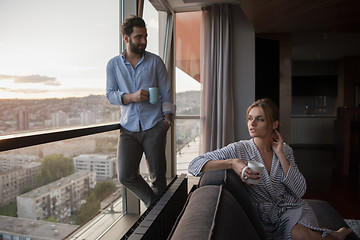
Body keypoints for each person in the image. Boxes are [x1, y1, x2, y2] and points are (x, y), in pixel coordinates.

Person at [188, 98, 353, 240]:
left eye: (259, 119)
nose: (252, 123)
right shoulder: (239, 149)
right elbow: (194, 165)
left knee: (299, 234)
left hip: (292, 209)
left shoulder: (285, 150)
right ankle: (333, 236)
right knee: (300, 235)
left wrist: (280, 153)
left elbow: (300, 190)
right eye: (250, 118)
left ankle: (331, 235)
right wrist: (232, 163)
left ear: (274, 124)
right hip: (266, 218)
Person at [106, 15, 175, 208]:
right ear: (126, 38)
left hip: (154, 126)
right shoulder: (113, 65)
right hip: (128, 129)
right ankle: (156, 207)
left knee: (159, 181)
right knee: (126, 175)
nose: (143, 41)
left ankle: (161, 220)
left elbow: (167, 95)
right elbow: (110, 95)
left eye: (145, 36)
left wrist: (166, 122)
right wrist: (131, 97)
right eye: (138, 37)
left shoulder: (155, 62)